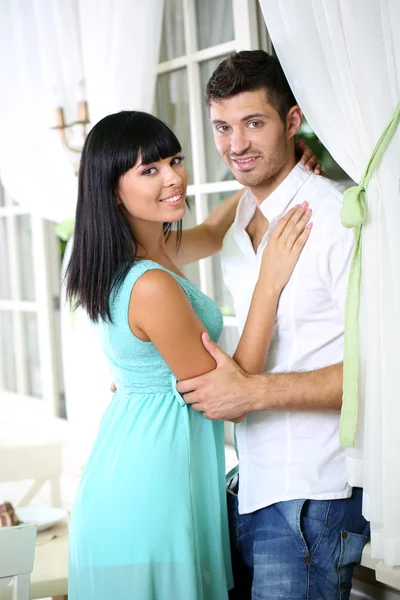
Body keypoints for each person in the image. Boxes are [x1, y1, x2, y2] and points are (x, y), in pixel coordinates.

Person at [65, 110, 314, 600]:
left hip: (131, 470)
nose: (174, 177)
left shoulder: (138, 254)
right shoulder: (151, 283)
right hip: (150, 491)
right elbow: (232, 396)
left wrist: (269, 180)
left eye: (174, 160)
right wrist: (269, 281)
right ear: (113, 188)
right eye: (150, 170)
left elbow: (213, 234)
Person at [177, 51, 370, 600]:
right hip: (250, 486)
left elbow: (377, 374)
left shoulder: (334, 219)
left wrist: (249, 392)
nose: (235, 145)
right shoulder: (237, 220)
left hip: (313, 496)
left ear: (292, 121)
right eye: (222, 127)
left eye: (254, 123)